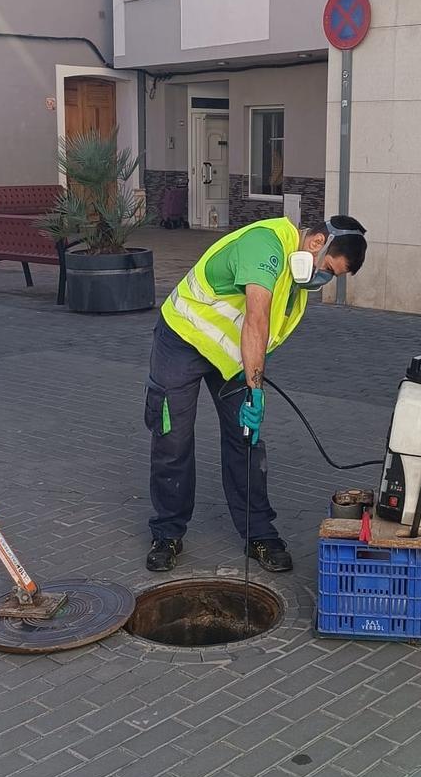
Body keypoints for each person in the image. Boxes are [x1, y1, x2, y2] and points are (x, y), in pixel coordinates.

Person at [144, 214, 368, 573]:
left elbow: (265, 335)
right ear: (316, 242)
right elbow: (256, 318)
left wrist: (252, 384)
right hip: (182, 341)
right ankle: (168, 533)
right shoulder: (264, 246)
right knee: (173, 438)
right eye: (327, 268)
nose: (324, 279)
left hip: (232, 358)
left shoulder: (297, 281)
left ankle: (258, 533)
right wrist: (256, 389)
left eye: (332, 276)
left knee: (246, 438)